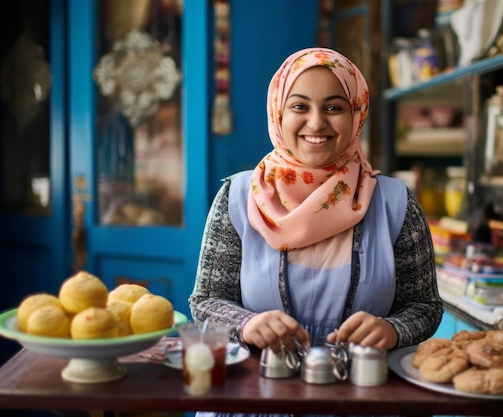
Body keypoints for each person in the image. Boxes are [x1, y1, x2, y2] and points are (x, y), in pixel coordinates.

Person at [188, 46, 443, 384]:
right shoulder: (238, 197)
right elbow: (206, 301)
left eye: (334, 107)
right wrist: (245, 324)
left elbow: (425, 306)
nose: (316, 122)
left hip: (363, 397)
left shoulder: (394, 203)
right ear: (279, 111)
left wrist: (393, 329)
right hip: (256, 398)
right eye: (299, 106)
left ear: (357, 113)